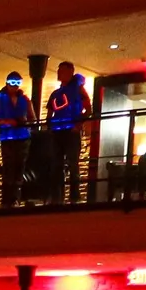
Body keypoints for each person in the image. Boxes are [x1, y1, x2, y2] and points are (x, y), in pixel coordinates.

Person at [46, 61, 91, 204]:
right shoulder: (55, 94)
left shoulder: (78, 90)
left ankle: (74, 197)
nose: (59, 73)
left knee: (73, 164)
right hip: (58, 132)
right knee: (56, 165)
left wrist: (78, 124)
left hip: (71, 131)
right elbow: (49, 114)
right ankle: (57, 197)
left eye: (62, 70)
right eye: (59, 70)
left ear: (70, 72)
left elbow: (88, 109)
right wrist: (50, 127)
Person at [0, 72, 35, 207]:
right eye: (12, 82)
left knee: (19, 168)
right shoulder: (0, 100)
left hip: (23, 138)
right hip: (8, 138)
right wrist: (6, 121)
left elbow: (33, 118)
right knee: (9, 168)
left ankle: (15, 199)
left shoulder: (25, 100)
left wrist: (25, 121)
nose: (15, 86)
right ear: (7, 83)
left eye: (17, 83)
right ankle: (6, 200)